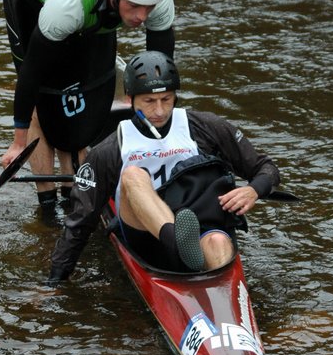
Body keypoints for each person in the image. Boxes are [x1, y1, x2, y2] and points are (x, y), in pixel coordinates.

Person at [0, 0, 176, 220]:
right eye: (134, 6)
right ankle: (48, 206)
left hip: (93, 4)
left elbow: (160, 74)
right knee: (47, 98)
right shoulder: (69, 3)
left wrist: (159, 133)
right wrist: (18, 143)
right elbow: (31, 74)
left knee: (85, 95)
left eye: (149, 8)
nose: (142, 16)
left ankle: (74, 195)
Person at [47, 51, 281, 284]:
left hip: (198, 227)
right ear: (130, 99)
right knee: (132, 175)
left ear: (175, 97)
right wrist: (55, 280)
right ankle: (177, 244)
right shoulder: (111, 149)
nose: (159, 111)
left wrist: (253, 190)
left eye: (166, 99)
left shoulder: (205, 127)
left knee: (219, 243)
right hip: (144, 235)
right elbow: (81, 220)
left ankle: (215, 285)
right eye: (149, 101)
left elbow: (266, 168)